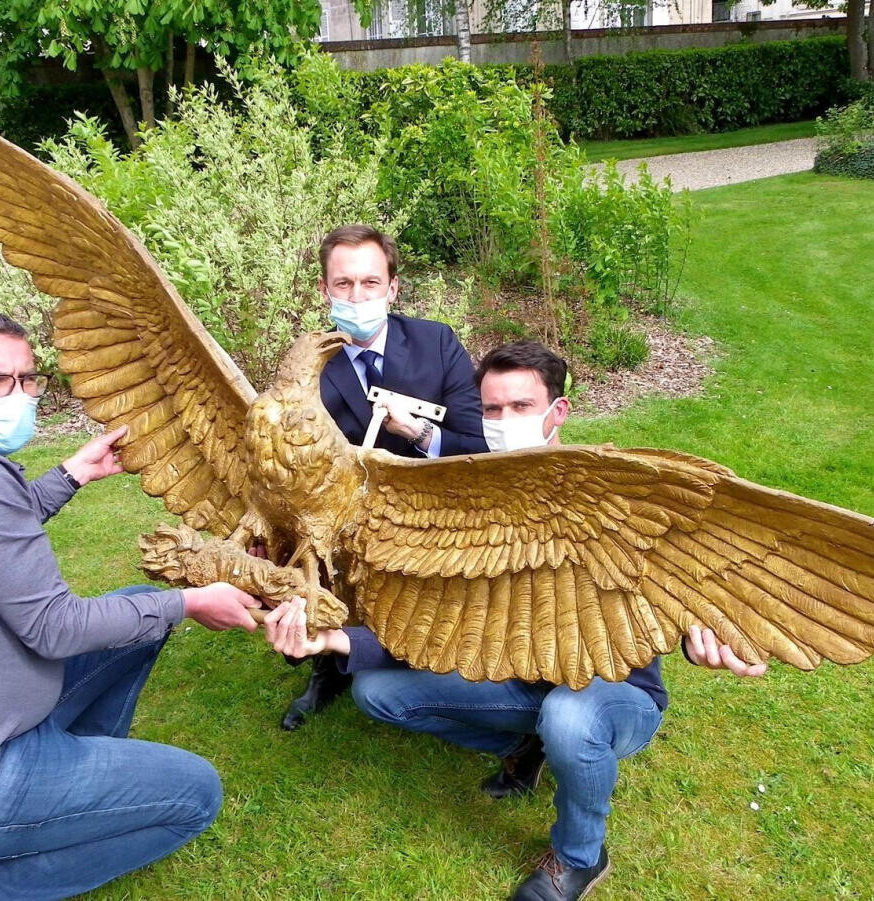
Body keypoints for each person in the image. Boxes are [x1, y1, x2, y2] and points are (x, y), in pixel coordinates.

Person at [264, 341, 768, 901]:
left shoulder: (612, 500)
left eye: (521, 407)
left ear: (558, 412)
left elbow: (685, 594)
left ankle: (580, 856)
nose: (503, 422)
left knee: (570, 717)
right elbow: (435, 620)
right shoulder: (468, 505)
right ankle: (530, 746)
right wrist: (335, 639)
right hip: (517, 682)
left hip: (610, 693)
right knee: (379, 693)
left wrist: (706, 636)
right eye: (492, 410)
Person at [0, 304, 262, 901]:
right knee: (194, 795)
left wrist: (69, 476)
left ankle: (84, 785)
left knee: (134, 610)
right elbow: (54, 627)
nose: (17, 395)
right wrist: (188, 603)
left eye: (26, 379)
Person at [281, 224, 488, 731]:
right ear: (325, 291)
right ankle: (328, 665)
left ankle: (417, 653)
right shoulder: (309, 366)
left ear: (392, 288)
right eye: (343, 284)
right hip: (344, 518)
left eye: (370, 283)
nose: (357, 295)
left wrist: (418, 433)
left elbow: (476, 447)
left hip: (431, 515)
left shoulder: (436, 343)